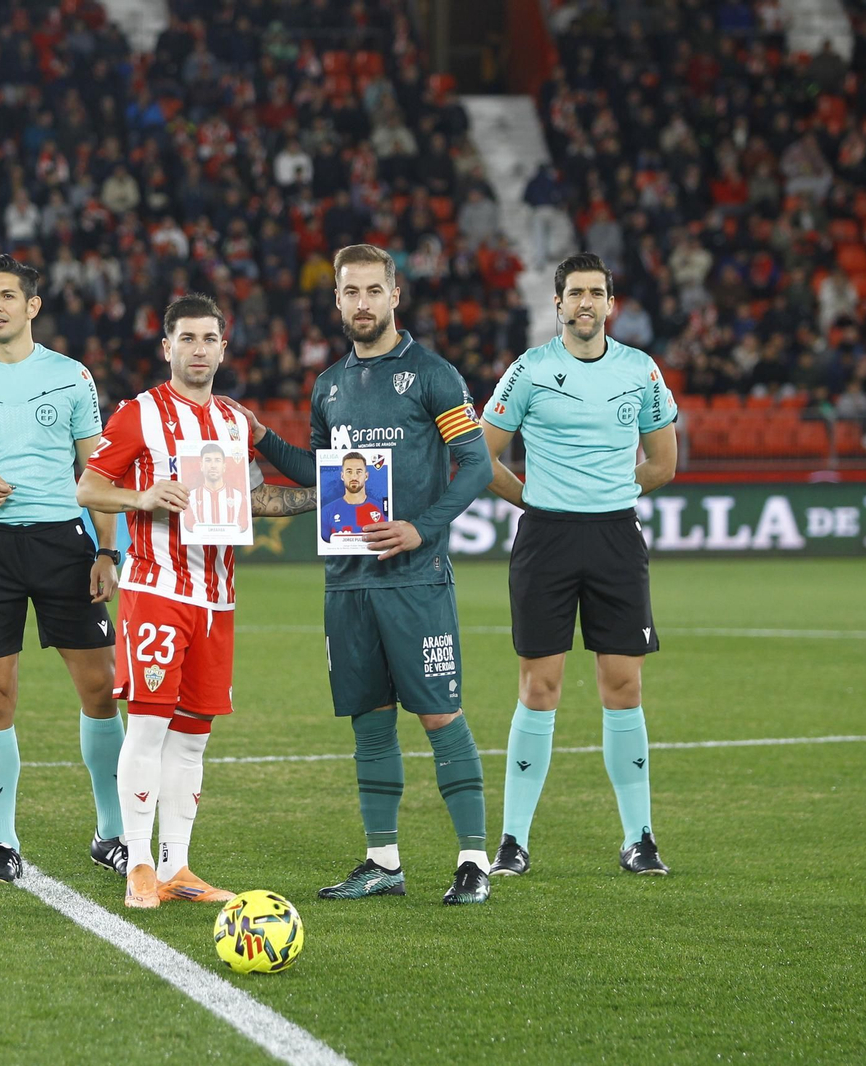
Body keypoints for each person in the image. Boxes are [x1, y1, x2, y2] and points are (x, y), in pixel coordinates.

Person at [234, 245, 495, 905]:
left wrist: (420, 528)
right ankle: (383, 861)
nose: (362, 303)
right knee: (370, 723)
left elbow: (479, 466)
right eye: (350, 292)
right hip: (347, 580)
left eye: (373, 291)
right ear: (338, 300)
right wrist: (264, 437)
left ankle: (473, 860)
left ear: (395, 294)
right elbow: (323, 479)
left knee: (440, 714)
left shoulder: (433, 375)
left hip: (415, 578)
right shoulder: (329, 386)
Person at [77, 293, 318, 908]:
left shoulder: (237, 421)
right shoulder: (141, 414)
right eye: (187, 338)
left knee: (192, 738)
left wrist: (333, 502)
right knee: (150, 727)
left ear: (223, 348)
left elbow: (254, 500)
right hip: (157, 590)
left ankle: (177, 868)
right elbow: (88, 486)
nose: (199, 349)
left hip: (218, 599)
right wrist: (142, 498)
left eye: (209, 338)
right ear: (168, 347)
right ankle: (136, 863)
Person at [0, 255, 125, 886]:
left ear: (32, 306)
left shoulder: (71, 378)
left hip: (64, 545)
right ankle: (3, 843)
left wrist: (106, 552)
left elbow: (99, 476)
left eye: (8, 296)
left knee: (99, 689)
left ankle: (111, 832)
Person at [478, 252, 679, 878]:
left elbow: (663, 462)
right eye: (575, 293)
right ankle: (512, 841)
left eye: (596, 292)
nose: (586, 303)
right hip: (546, 540)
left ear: (610, 303)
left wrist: (608, 495)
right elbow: (483, 455)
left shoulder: (640, 371)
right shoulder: (529, 370)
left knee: (624, 687)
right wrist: (536, 498)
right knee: (540, 687)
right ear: (558, 304)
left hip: (616, 538)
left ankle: (639, 838)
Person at [180, 441, 249, 535]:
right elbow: (188, 529)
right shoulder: (190, 496)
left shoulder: (238, 496)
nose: (213, 466)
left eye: (217, 460)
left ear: (224, 466)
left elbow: (244, 528)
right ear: (201, 466)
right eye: (208, 460)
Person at [322, 451, 388, 541]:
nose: (354, 477)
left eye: (359, 472)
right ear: (342, 476)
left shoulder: (381, 510)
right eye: (349, 472)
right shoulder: (327, 511)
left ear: (366, 476)